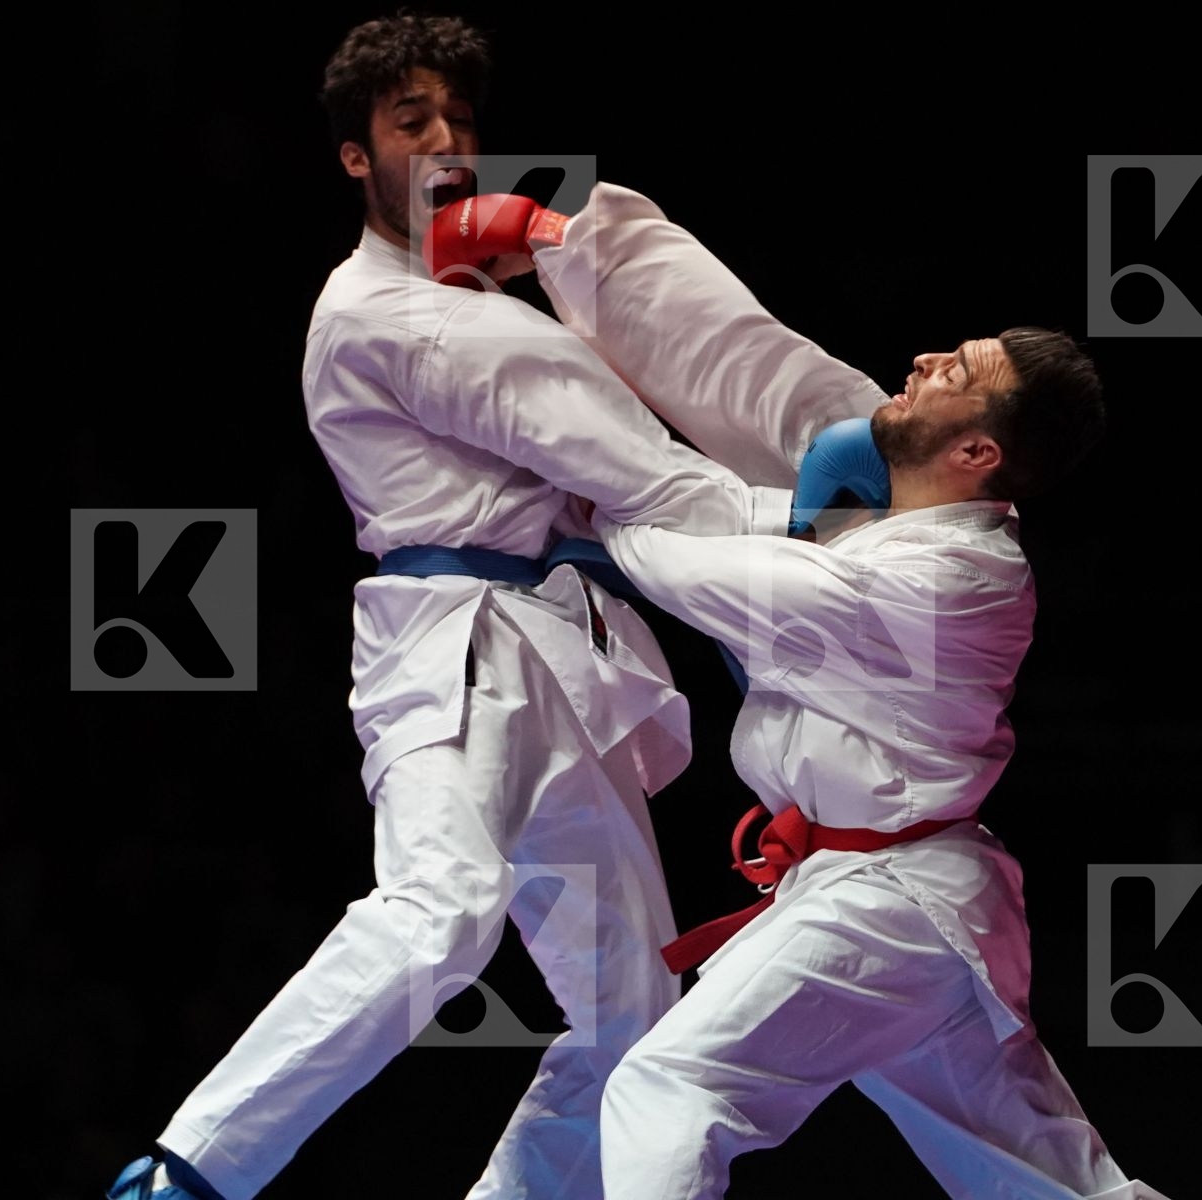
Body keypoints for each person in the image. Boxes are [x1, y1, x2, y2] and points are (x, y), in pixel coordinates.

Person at [106, 16, 806, 1200]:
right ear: (353, 155)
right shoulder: (397, 314)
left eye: (462, 121)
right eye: (410, 120)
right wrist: (806, 525)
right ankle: (186, 1173)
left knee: (632, 1002)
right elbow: (633, 471)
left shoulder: (475, 300)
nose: (445, 140)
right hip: (456, 659)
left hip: (559, 659)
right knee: (442, 910)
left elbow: (604, 487)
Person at [436, 183, 1172, 1198]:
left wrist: (592, 503)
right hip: (896, 902)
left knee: (667, 1081)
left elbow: (706, 571)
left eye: (954, 372)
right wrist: (564, 242)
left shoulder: (955, 580)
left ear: (978, 453)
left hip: (892, 905)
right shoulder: (867, 484)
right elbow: (746, 361)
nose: (923, 361)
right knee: (1047, 1183)